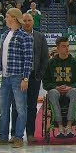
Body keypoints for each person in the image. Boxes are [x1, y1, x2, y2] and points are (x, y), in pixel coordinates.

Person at [0, 8, 33, 148]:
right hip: (5, 77)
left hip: (18, 77)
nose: (5, 19)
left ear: (14, 18)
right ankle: (3, 136)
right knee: (3, 108)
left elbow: (28, 59)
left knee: (21, 109)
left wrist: (25, 78)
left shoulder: (25, 36)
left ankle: (18, 137)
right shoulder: (5, 34)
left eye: (7, 16)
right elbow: (1, 56)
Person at [9, 13, 49, 143]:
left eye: (29, 20)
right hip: (18, 76)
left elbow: (44, 57)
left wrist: (40, 75)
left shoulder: (39, 37)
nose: (26, 22)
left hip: (33, 76)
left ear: (33, 22)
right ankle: (15, 134)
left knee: (31, 106)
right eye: (24, 20)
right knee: (16, 106)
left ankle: (30, 134)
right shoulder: (15, 35)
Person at [42, 37, 76, 138]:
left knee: (75, 91)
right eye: (64, 46)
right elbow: (45, 83)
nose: (67, 48)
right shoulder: (50, 63)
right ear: (58, 48)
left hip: (70, 90)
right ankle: (60, 126)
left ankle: (69, 126)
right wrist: (56, 87)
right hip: (56, 90)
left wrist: (70, 87)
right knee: (52, 92)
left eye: (68, 46)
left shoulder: (75, 63)